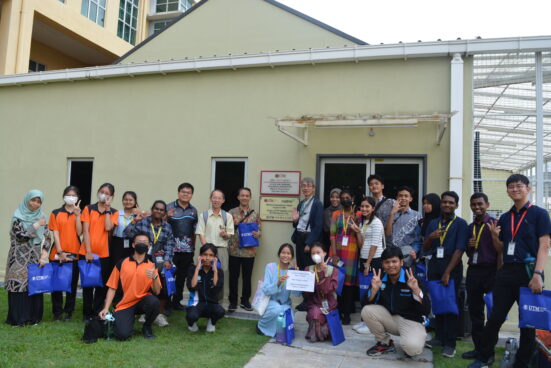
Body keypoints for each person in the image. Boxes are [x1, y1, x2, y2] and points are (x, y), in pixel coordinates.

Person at [469, 174, 551, 368]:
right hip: (507, 272)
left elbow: (544, 245)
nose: (515, 189)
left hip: (529, 272)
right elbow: (501, 249)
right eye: (511, 187)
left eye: (519, 186)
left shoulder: (539, 214)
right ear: (507, 191)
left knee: (527, 322)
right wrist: (495, 237)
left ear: (528, 189)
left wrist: (537, 275)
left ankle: (522, 363)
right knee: (495, 316)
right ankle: (484, 357)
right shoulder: (505, 218)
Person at [423, 191, 468, 358]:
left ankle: (450, 344)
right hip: (435, 265)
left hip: (451, 266)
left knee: (450, 306)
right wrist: (431, 236)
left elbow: (460, 249)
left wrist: (448, 272)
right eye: (444, 202)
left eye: (451, 202)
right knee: (438, 303)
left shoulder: (461, 224)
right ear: (440, 204)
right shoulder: (433, 223)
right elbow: (426, 246)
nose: (447, 205)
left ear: (456, 205)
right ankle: (440, 338)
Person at [362, 246, 431, 357]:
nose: (391, 265)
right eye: (387, 262)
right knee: (367, 311)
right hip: (391, 319)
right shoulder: (380, 279)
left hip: (411, 321)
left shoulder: (412, 279)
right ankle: (385, 343)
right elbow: (364, 304)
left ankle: (414, 338)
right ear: (383, 264)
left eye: (394, 261)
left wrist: (416, 290)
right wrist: (373, 290)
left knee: (411, 349)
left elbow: (427, 309)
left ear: (401, 263)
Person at [99, 232, 161, 340]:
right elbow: (112, 288)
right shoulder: (121, 263)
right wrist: (105, 308)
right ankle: (123, 320)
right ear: (133, 244)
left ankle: (147, 327)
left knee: (154, 302)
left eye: (145, 242)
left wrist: (154, 277)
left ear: (149, 246)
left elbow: (157, 291)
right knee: (122, 335)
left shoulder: (151, 265)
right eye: (139, 242)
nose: (142, 244)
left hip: (142, 301)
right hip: (125, 304)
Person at [123, 200, 175, 326]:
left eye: (161, 210)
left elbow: (169, 244)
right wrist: (135, 220)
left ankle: (159, 314)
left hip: (160, 258)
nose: (158, 211)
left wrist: (168, 260)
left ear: (164, 213)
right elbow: (126, 234)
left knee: (162, 283)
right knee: (143, 284)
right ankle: (143, 312)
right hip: (142, 257)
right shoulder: (143, 222)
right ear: (152, 209)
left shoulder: (167, 226)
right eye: (156, 208)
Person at [5, 190, 51, 326]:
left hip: (35, 256)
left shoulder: (42, 216)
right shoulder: (17, 216)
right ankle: (18, 318)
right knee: (18, 286)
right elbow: (20, 236)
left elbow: (47, 236)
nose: (35, 204)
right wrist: (36, 225)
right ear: (27, 200)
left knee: (34, 285)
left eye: (39, 201)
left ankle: (33, 318)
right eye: (33, 200)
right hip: (18, 256)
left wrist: (44, 254)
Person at [461, 193, 498, 362]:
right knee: (476, 313)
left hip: (491, 272)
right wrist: (469, 247)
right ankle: (478, 349)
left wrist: (499, 274)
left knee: (492, 314)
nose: (477, 207)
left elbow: (500, 251)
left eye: (480, 204)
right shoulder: (470, 227)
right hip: (474, 271)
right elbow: (470, 253)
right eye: (474, 204)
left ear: (487, 204)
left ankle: (489, 353)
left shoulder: (495, 224)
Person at [80, 183, 119, 320]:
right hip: (87, 252)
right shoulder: (88, 208)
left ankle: (97, 311)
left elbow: (108, 227)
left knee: (100, 285)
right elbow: (85, 230)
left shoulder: (114, 212)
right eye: (101, 191)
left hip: (104, 254)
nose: (103, 194)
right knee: (87, 285)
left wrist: (107, 210)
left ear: (112, 196)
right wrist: (88, 251)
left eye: (107, 193)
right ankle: (86, 313)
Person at [49, 185, 82, 322]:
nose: (71, 197)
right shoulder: (55, 213)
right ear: (64, 196)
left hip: (74, 252)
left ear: (78, 198)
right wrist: (61, 252)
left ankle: (68, 311)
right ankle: (57, 312)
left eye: (74, 195)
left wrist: (78, 215)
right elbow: (55, 233)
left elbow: (80, 233)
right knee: (56, 284)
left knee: (72, 285)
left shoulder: (79, 212)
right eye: (69, 194)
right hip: (58, 252)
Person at [329, 189, 362, 325]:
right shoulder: (336, 214)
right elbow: (332, 235)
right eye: (342, 198)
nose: (344, 199)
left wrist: (356, 221)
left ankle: (347, 314)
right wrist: (334, 254)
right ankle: (339, 310)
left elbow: (361, 232)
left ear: (353, 198)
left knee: (349, 284)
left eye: (347, 197)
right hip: (338, 251)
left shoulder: (358, 214)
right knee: (338, 282)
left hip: (352, 251)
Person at [353, 196, 385, 335]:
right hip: (364, 258)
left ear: (373, 208)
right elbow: (361, 244)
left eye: (367, 206)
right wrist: (358, 231)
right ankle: (364, 319)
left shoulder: (377, 223)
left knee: (372, 291)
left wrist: (368, 264)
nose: (364, 209)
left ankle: (371, 323)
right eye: (362, 206)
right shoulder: (363, 222)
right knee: (363, 290)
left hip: (374, 260)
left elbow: (374, 245)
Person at [291, 177, 324, 311]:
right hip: (299, 237)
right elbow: (297, 224)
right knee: (301, 269)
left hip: (308, 239)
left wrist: (309, 243)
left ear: (313, 188)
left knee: (310, 270)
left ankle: (311, 300)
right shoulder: (301, 203)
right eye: (303, 186)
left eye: (308, 186)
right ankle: (305, 300)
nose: (305, 188)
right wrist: (294, 221)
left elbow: (318, 226)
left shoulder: (317, 204)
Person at [228, 187, 262, 313]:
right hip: (234, 250)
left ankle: (245, 301)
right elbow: (227, 229)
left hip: (249, 251)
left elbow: (260, 230)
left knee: (247, 277)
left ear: (250, 197)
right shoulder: (231, 213)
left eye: (247, 195)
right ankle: (232, 301)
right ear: (238, 197)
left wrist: (258, 234)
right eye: (242, 195)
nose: (244, 198)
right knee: (233, 277)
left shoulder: (255, 213)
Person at [257, 243, 301, 336]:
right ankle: (261, 326)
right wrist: (278, 282)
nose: (285, 255)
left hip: (285, 304)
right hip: (271, 302)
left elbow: (297, 294)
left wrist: (297, 278)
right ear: (279, 254)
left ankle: (277, 331)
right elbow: (265, 289)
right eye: (283, 253)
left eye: (288, 253)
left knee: (290, 318)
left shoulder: (292, 271)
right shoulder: (271, 267)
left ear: (292, 256)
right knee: (277, 310)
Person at [166, 182, 198, 311]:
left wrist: (193, 248)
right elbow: (159, 223)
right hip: (170, 250)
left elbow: (195, 231)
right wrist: (165, 217)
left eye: (189, 193)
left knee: (182, 278)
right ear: (178, 193)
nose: (186, 194)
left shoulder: (193, 210)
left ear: (191, 195)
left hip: (187, 251)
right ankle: (167, 304)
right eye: (183, 192)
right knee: (169, 277)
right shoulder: (169, 207)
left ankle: (176, 302)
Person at [186, 243, 225, 332]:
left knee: (220, 311)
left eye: (211, 255)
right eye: (205, 255)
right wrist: (197, 269)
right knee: (192, 316)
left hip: (211, 303)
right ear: (200, 256)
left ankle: (212, 322)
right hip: (196, 304)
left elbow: (216, 289)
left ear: (215, 258)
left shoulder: (219, 272)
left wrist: (215, 271)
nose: (207, 258)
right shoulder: (193, 269)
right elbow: (191, 287)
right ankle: (192, 324)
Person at [304, 242, 339, 342]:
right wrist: (309, 279)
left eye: (318, 252)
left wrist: (324, 274)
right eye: (313, 253)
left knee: (323, 320)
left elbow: (327, 290)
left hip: (329, 305)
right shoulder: (308, 269)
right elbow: (306, 294)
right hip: (314, 303)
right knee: (315, 314)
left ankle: (318, 330)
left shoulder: (333, 271)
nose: (316, 255)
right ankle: (319, 332)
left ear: (324, 253)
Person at [195, 189, 234, 274]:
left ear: (223, 200)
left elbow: (230, 234)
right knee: (204, 274)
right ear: (210, 199)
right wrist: (207, 251)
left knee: (220, 275)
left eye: (219, 198)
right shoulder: (204, 215)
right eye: (214, 198)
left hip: (221, 250)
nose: (216, 200)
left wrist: (225, 235)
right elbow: (200, 233)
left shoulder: (227, 216)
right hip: (207, 251)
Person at [385, 186, 422, 267]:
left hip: (407, 254)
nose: (403, 198)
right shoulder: (391, 214)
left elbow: (418, 238)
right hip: (392, 254)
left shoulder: (417, 215)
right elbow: (388, 234)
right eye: (400, 196)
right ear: (397, 198)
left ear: (410, 199)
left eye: (406, 196)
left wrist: (414, 251)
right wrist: (392, 214)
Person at [110, 191, 140, 267]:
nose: (128, 202)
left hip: (132, 244)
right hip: (117, 243)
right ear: (122, 201)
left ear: (135, 201)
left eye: (130, 200)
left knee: (130, 266)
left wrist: (138, 215)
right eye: (125, 199)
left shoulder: (138, 215)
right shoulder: (117, 213)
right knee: (116, 265)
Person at [367, 174, 395, 244]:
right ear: (369, 187)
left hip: (386, 241)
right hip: (370, 239)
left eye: (376, 183)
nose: (374, 186)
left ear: (382, 186)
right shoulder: (366, 204)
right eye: (371, 184)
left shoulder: (391, 202)